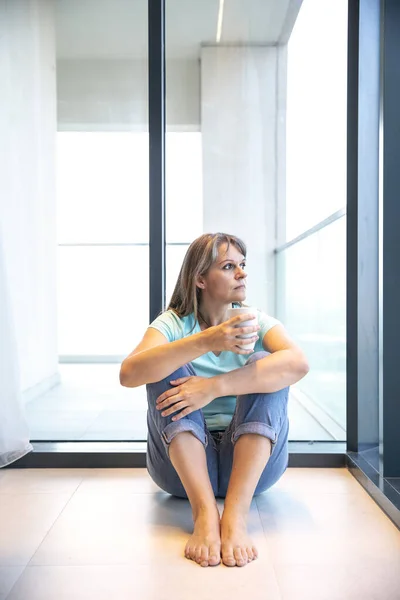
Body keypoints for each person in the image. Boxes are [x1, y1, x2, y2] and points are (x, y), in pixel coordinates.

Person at [119, 232, 309, 568]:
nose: (242, 273)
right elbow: (129, 374)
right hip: (181, 473)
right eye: (228, 266)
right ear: (200, 279)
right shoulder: (174, 323)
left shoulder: (256, 321)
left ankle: (235, 517)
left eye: (243, 265)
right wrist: (205, 340)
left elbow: (298, 364)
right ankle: (205, 514)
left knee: (266, 363)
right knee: (161, 361)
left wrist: (214, 387)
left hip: (253, 467)